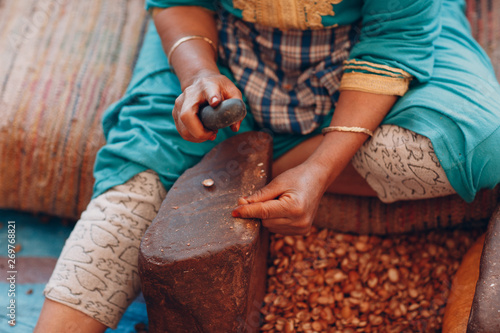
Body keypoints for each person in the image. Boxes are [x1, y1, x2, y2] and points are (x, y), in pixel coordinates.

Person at [36, 0, 500, 331]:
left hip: (377, 48)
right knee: (136, 177)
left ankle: (222, 167)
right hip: (219, 40)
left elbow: (396, 38)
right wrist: (198, 75)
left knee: (484, 144)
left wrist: (320, 168)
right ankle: (209, 161)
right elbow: (178, 2)